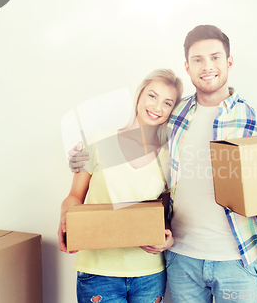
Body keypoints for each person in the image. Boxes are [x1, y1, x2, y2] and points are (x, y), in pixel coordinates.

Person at [69, 25, 257, 303]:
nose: (207, 66)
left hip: (236, 259)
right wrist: (80, 155)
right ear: (187, 67)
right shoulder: (173, 114)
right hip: (181, 258)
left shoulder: (256, 119)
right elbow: (130, 150)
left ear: (229, 62)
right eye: (197, 59)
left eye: (215, 57)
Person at [59, 69, 183, 303]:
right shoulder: (98, 141)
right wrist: (65, 216)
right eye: (152, 96)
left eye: (167, 103)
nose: (157, 107)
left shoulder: (169, 157)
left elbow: (163, 215)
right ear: (139, 96)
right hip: (98, 272)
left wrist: (168, 238)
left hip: (149, 273)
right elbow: (74, 196)